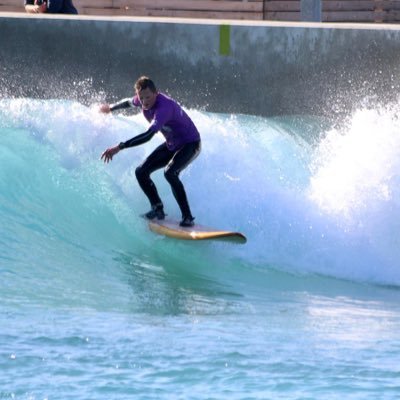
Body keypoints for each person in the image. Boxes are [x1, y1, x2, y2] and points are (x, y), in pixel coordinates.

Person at [100, 76, 201, 227]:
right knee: (141, 171)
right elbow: (129, 102)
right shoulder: (141, 101)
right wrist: (111, 109)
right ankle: (157, 208)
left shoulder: (163, 108)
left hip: (190, 143)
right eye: (141, 98)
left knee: (170, 173)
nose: (144, 101)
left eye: (148, 97)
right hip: (172, 143)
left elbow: (148, 136)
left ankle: (187, 217)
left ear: (156, 93)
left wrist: (119, 147)